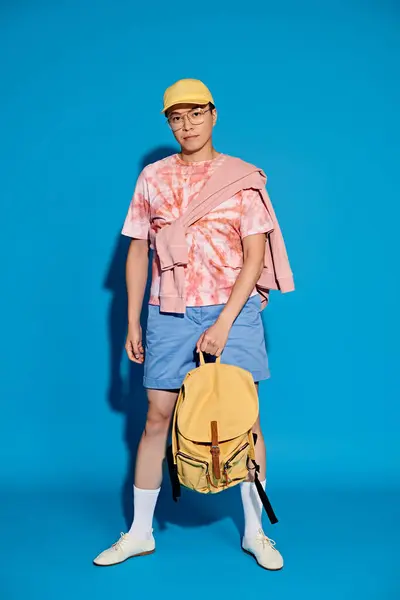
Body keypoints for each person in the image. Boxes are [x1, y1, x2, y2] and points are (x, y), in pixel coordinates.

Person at [93, 78, 294, 570]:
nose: (187, 125)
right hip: (168, 311)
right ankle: (140, 533)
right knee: (156, 417)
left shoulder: (243, 178)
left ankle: (253, 533)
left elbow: (254, 258)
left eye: (196, 114)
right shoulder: (152, 178)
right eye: (176, 117)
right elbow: (137, 249)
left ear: (213, 114)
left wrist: (224, 323)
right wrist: (134, 321)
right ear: (168, 122)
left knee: (245, 422)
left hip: (234, 312)